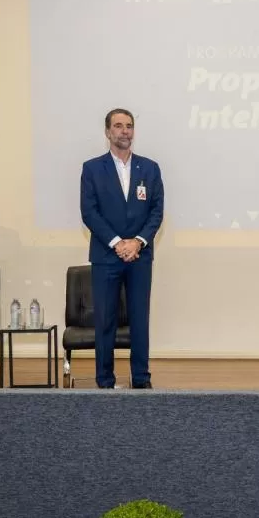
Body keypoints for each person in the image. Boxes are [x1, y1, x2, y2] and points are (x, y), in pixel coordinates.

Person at [80, 109, 164, 389]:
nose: (124, 131)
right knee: (105, 321)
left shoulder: (150, 168)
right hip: (106, 256)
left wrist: (138, 241)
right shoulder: (92, 168)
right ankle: (104, 381)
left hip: (140, 256)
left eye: (129, 126)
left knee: (140, 320)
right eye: (118, 126)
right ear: (107, 132)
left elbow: (156, 211)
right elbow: (89, 213)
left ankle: (141, 379)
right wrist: (118, 243)